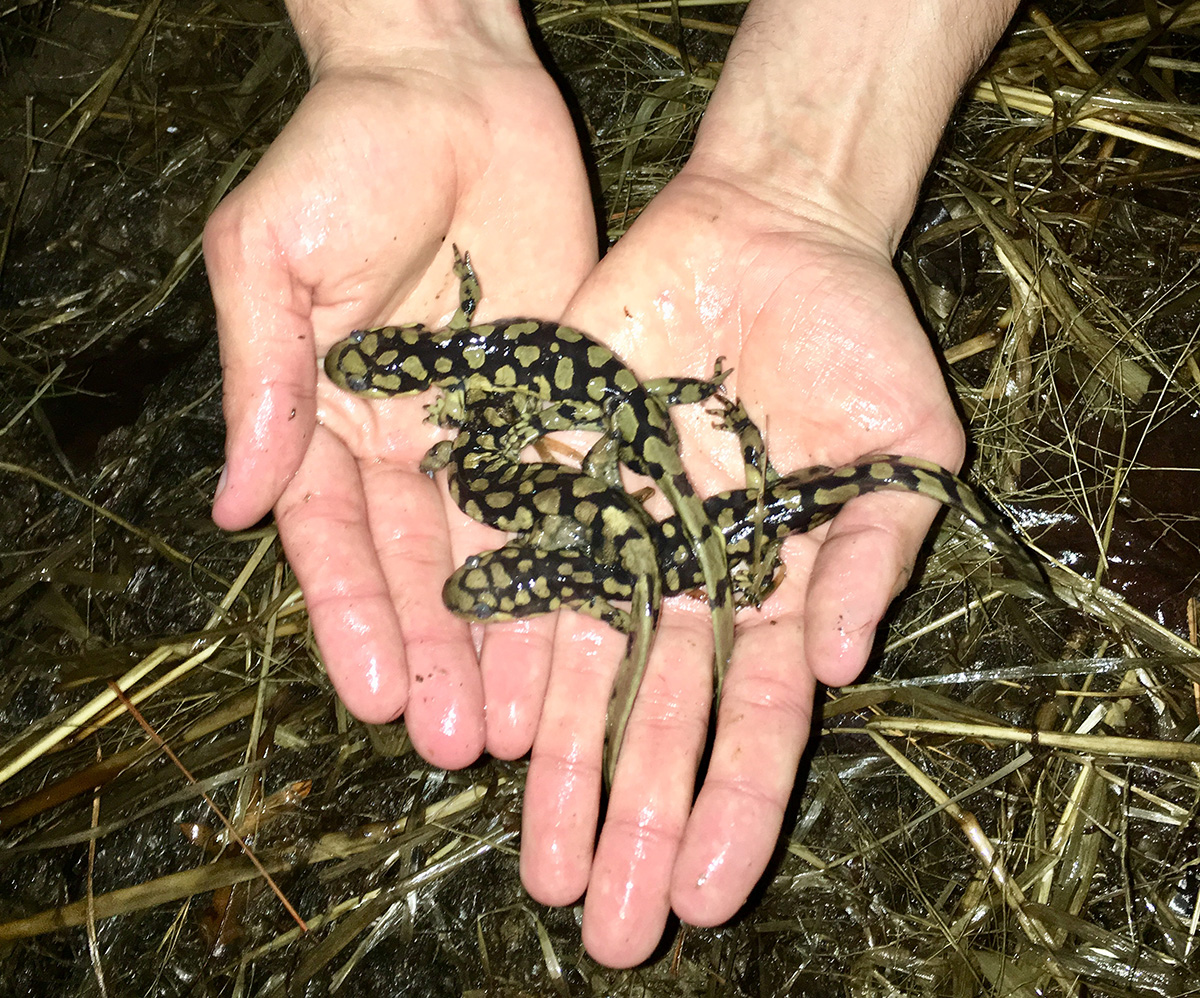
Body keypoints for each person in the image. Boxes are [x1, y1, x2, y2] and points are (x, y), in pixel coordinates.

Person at [204, 0, 1021, 968]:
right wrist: (414, 35)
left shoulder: (522, 468)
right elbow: (540, 453)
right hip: (646, 480)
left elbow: (536, 449)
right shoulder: (515, 455)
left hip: (644, 469)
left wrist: (817, 184)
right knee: (705, 536)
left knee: (704, 534)